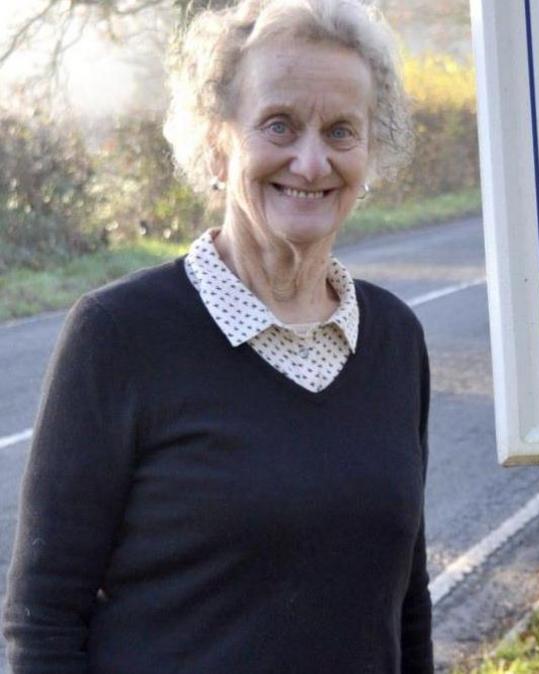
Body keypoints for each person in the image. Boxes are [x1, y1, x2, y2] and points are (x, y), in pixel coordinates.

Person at [3, 0, 432, 671]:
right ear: (215, 140)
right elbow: (44, 615)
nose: (312, 162)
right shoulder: (119, 337)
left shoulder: (395, 340)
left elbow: (405, 603)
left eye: (342, 131)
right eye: (280, 125)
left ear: (371, 151)